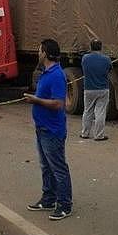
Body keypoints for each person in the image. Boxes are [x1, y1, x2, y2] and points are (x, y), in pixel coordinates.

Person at [23, 39, 73, 221]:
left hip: (52, 130)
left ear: (44, 53)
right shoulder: (46, 73)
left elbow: (59, 104)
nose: (37, 54)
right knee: (46, 166)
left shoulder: (56, 75)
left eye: (39, 50)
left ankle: (65, 204)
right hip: (42, 128)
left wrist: (35, 100)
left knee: (58, 168)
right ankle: (48, 199)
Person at [79, 39, 112, 141]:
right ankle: (99, 135)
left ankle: (85, 133)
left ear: (91, 47)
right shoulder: (106, 59)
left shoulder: (85, 58)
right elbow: (109, 69)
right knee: (100, 113)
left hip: (88, 89)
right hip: (103, 89)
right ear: (101, 47)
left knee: (87, 111)